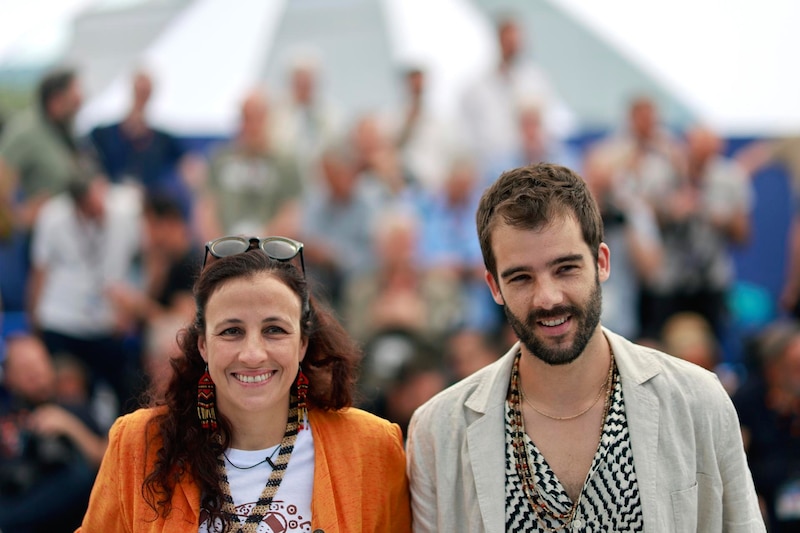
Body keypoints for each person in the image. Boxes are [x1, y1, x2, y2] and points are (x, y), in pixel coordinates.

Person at [406, 163, 764, 531]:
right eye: (521, 277)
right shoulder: (439, 431)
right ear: (494, 286)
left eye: (565, 269)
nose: (548, 298)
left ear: (602, 263)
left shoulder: (697, 401)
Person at [78, 236, 411, 531]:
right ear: (203, 346)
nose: (253, 354)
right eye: (231, 331)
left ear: (303, 344)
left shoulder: (372, 447)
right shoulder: (138, 443)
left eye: (274, 330)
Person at [0, 333, 107, 533]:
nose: (35, 373)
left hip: (70, 515)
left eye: (39, 363)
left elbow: (107, 461)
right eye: (25, 368)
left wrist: (68, 427)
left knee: (79, 477)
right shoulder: (5, 417)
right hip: (17, 500)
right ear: (9, 378)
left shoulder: (76, 410)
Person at [733, 320, 800, 532]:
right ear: (774, 369)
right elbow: (736, 460)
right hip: (766, 501)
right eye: (797, 368)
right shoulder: (747, 401)